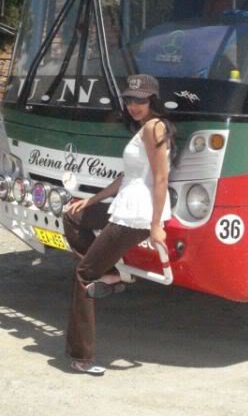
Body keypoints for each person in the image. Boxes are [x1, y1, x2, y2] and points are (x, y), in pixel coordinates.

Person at [63, 74, 176, 376]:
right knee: (72, 215)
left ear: (152, 99)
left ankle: (81, 357)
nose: (133, 106)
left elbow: (161, 177)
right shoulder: (142, 129)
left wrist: (155, 225)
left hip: (137, 214)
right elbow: (127, 177)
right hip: (124, 204)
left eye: (140, 100)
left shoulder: (155, 127)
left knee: (83, 275)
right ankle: (111, 274)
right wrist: (90, 200)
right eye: (128, 100)